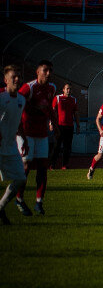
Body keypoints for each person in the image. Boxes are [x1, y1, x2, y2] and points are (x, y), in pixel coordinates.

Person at [12, 60, 57, 216]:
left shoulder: (52, 88)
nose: (48, 73)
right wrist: (18, 132)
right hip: (26, 133)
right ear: (37, 71)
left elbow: (50, 108)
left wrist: (54, 125)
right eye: (45, 70)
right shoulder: (29, 88)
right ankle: (19, 198)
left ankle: (39, 202)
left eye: (50, 70)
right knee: (26, 167)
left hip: (42, 134)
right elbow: (17, 106)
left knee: (43, 169)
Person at [0, 65, 27, 225]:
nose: (17, 79)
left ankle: (1, 206)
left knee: (20, 179)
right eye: (13, 77)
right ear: (5, 80)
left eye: (18, 76)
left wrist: (25, 139)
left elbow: (18, 123)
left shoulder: (21, 99)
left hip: (10, 147)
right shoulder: (1, 98)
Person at [51, 83, 77, 170]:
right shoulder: (58, 98)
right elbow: (53, 111)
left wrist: (78, 124)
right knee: (56, 146)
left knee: (67, 147)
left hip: (70, 126)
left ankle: (64, 165)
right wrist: (51, 123)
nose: (68, 90)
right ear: (63, 89)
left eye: (70, 89)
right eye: (67, 89)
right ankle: (52, 165)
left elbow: (76, 113)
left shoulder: (74, 100)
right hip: (59, 126)